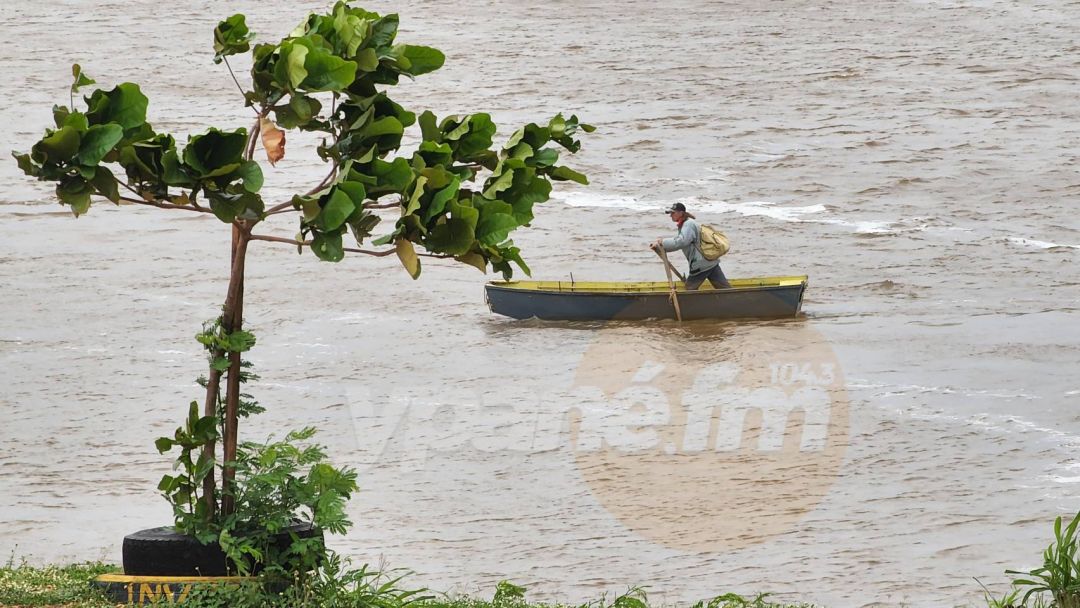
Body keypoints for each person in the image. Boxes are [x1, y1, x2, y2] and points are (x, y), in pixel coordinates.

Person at [649, 202, 731, 290]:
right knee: (725, 289)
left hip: (701, 264)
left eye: (673, 213)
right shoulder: (686, 224)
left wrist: (662, 243)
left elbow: (682, 241)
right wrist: (661, 246)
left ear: (680, 213)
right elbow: (680, 239)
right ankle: (735, 301)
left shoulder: (688, 224)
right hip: (710, 262)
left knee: (689, 289)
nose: (670, 215)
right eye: (670, 213)